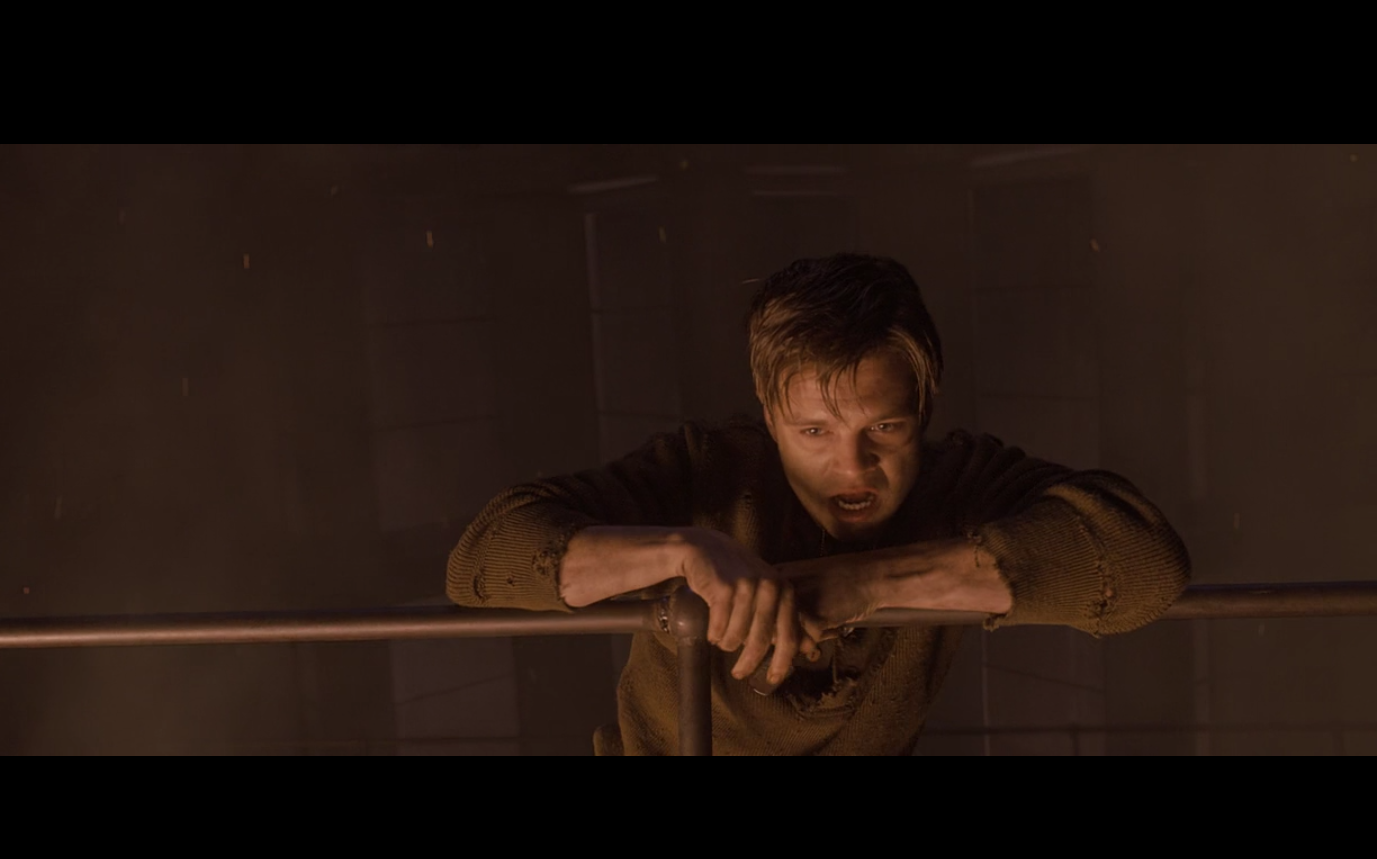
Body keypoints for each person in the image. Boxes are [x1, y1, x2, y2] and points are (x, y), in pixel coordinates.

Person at [446, 253, 1191, 755]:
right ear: (768, 414)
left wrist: (866, 585)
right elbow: (483, 561)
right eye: (814, 432)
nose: (852, 466)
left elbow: (1143, 566)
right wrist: (689, 552)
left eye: (885, 429)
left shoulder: (962, 480)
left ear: (925, 406)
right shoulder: (705, 469)